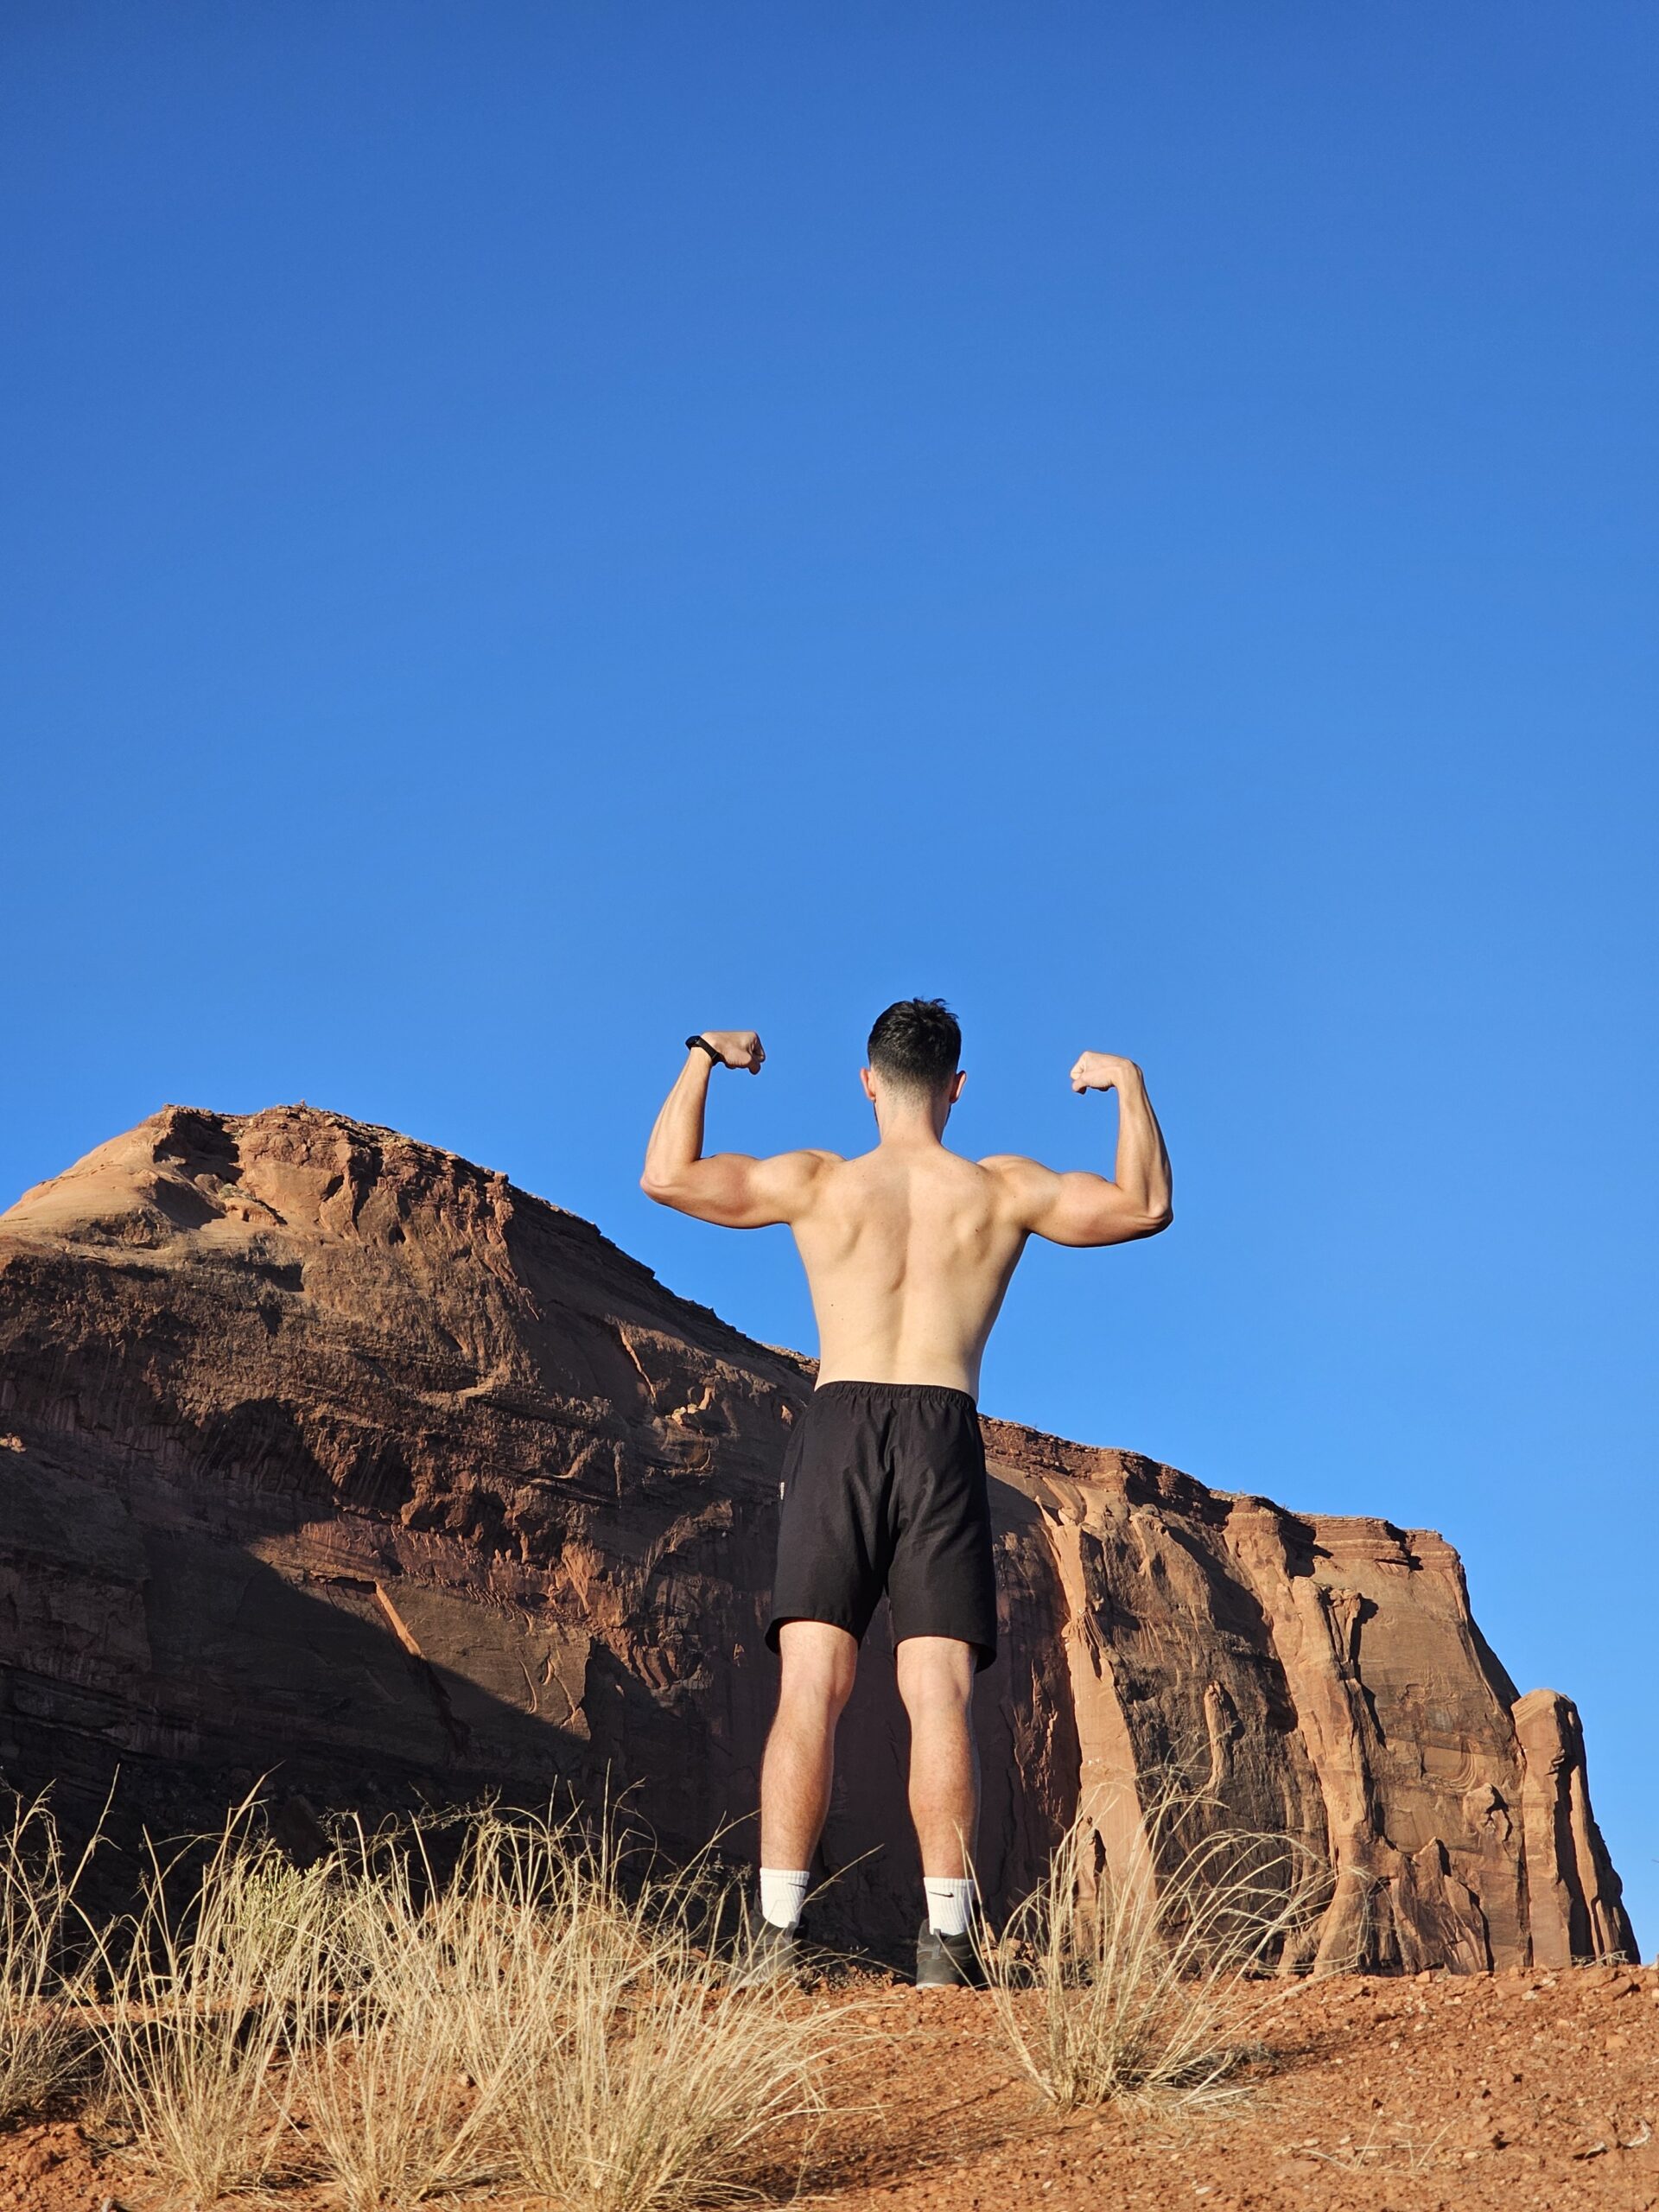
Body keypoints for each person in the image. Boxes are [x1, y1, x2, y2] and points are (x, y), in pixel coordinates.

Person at [640, 999, 1173, 1986]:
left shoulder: (820, 1181)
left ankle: (774, 1940)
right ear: (958, 1088)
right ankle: (948, 1947)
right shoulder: (1000, 1189)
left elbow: (665, 1174)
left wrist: (703, 1057)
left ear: (867, 1080)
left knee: (811, 1685)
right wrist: (1129, 1085)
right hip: (941, 1427)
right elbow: (1144, 1207)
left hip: (838, 1423)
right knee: (937, 1694)